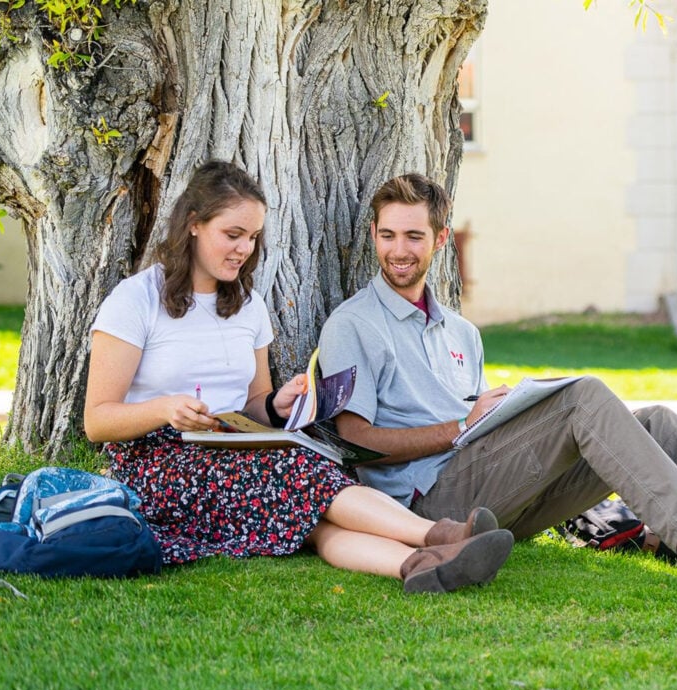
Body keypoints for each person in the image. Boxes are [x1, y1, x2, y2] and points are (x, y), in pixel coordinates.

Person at [318, 173, 677, 606]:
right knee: (582, 395)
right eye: (388, 235)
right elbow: (356, 440)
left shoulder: (460, 332)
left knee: (655, 421)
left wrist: (498, 415)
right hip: (428, 506)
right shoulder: (353, 324)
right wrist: (462, 427)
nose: (399, 250)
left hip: (495, 498)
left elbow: (478, 426)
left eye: (414, 236)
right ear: (373, 234)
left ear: (440, 239)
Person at [83, 161, 514, 594]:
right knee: (303, 475)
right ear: (194, 225)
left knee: (313, 519)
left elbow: (254, 405)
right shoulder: (136, 299)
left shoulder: (247, 305)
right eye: (233, 235)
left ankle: (421, 566)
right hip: (159, 462)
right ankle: (437, 536)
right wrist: (166, 409)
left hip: (230, 447)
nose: (244, 250)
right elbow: (97, 421)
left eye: (252, 238)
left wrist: (277, 405)